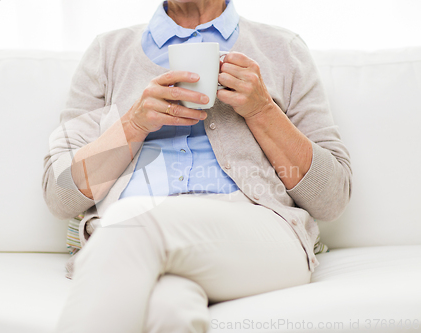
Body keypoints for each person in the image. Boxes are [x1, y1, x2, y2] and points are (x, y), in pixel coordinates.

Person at [42, 0, 352, 331]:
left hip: (260, 235)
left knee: (132, 222)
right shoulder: (108, 51)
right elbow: (60, 195)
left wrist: (263, 110)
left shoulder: (282, 49)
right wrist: (132, 124)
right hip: (142, 241)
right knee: (168, 310)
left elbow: (332, 198)